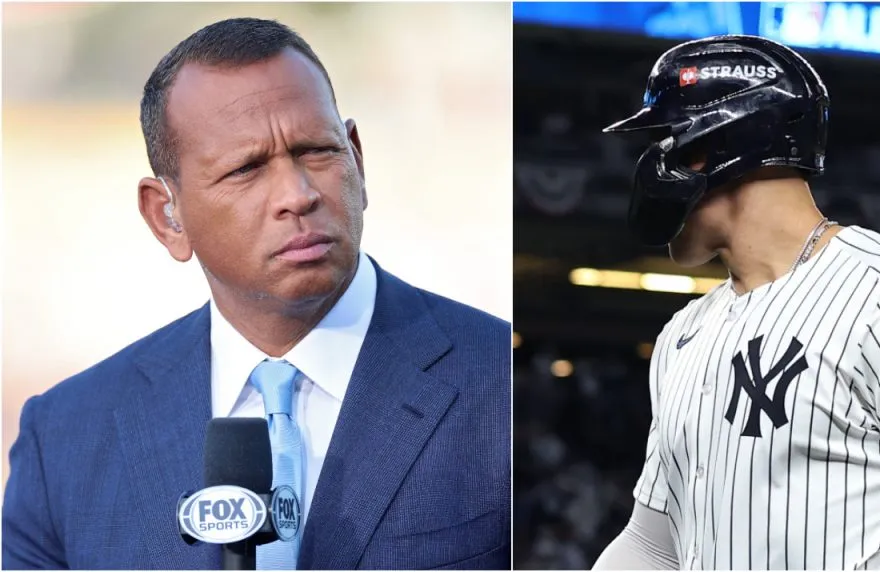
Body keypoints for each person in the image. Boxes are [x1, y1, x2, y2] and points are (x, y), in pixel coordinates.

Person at [2, 18, 509, 570]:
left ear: (357, 160)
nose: (297, 194)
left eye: (316, 151)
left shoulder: (498, 382)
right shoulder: (65, 439)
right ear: (166, 216)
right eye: (246, 169)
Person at [593, 35, 880, 569]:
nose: (651, 165)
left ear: (718, 144)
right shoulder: (684, 334)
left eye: (666, 141)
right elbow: (652, 546)